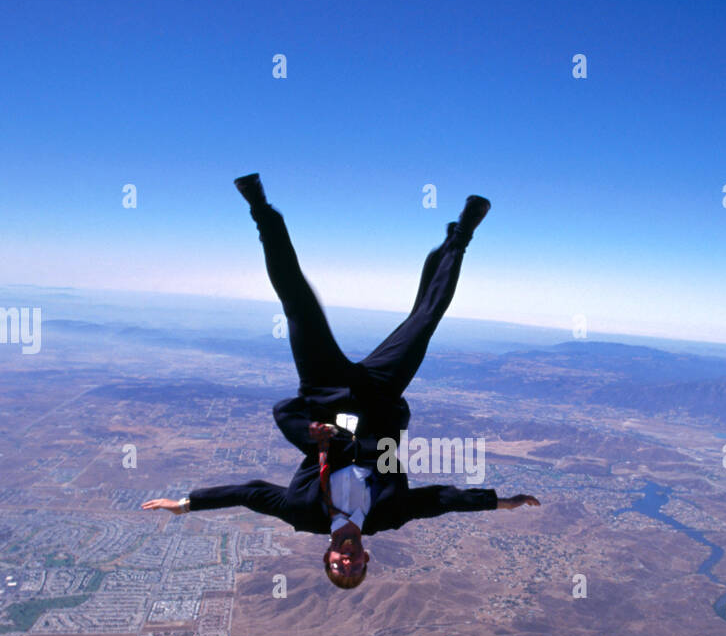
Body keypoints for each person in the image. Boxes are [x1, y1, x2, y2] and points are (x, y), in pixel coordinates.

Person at [143, 175, 540, 588]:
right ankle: (461, 236)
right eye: (356, 567)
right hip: (380, 396)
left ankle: (260, 209)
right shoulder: (390, 514)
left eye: (338, 566)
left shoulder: (302, 511)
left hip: (325, 391)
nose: (347, 561)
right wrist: (499, 502)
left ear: (327, 556)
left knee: (297, 303)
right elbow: (442, 500)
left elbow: (249, 493)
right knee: (425, 321)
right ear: (367, 556)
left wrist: (186, 504)